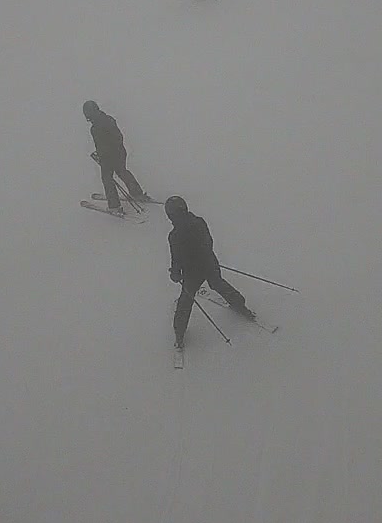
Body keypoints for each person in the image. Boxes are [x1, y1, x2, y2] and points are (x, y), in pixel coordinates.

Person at [165, 195, 254, 350]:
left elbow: (176, 258)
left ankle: (179, 333)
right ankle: (240, 305)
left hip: (192, 272)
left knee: (186, 299)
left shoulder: (174, 236)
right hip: (209, 263)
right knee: (217, 284)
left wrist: (175, 273)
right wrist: (205, 256)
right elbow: (208, 242)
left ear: (171, 216)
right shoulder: (199, 222)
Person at [82, 100, 152, 214]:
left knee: (107, 179)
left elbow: (102, 144)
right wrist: (102, 153)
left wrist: (102, 155)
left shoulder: (95, 128)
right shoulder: (108, 119)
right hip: (119, 152)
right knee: (122, 172)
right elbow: (116, 138)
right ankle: (137, 193)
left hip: (109, 156)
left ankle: (114, 206)